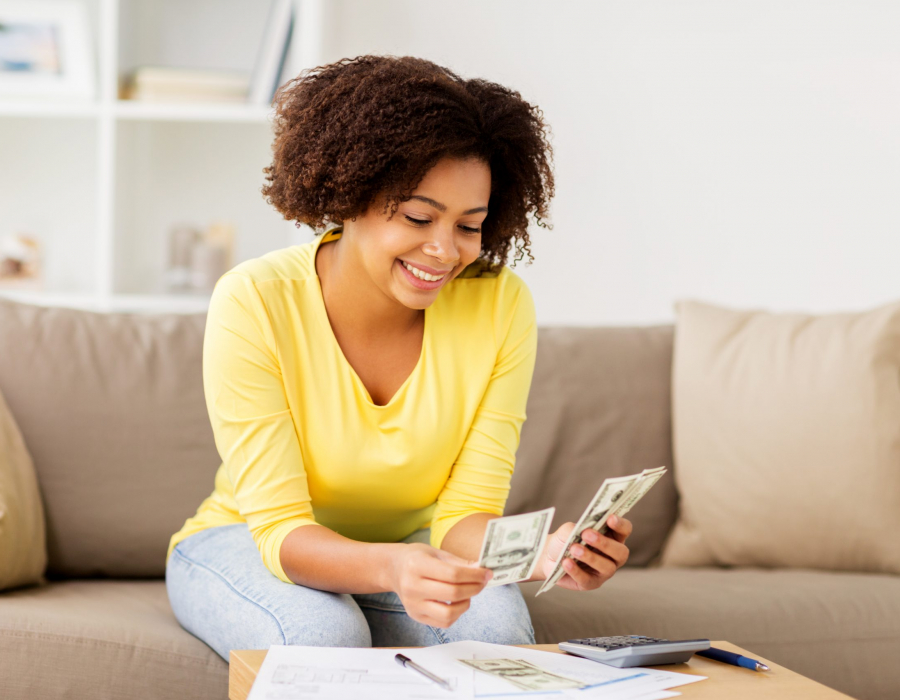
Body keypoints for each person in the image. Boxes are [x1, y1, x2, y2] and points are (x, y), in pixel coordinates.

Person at [165, 55, 633, 662]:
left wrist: (545, 551)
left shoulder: (499, 305)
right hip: (248, 540)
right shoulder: (254, 299)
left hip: (409, 548)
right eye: (418, 217)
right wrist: (393, 567)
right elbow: (281, 531)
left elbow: (464, 517)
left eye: (470, 226)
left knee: (495, 638)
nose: (444, 251)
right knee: (323, 638)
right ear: (351, 194)